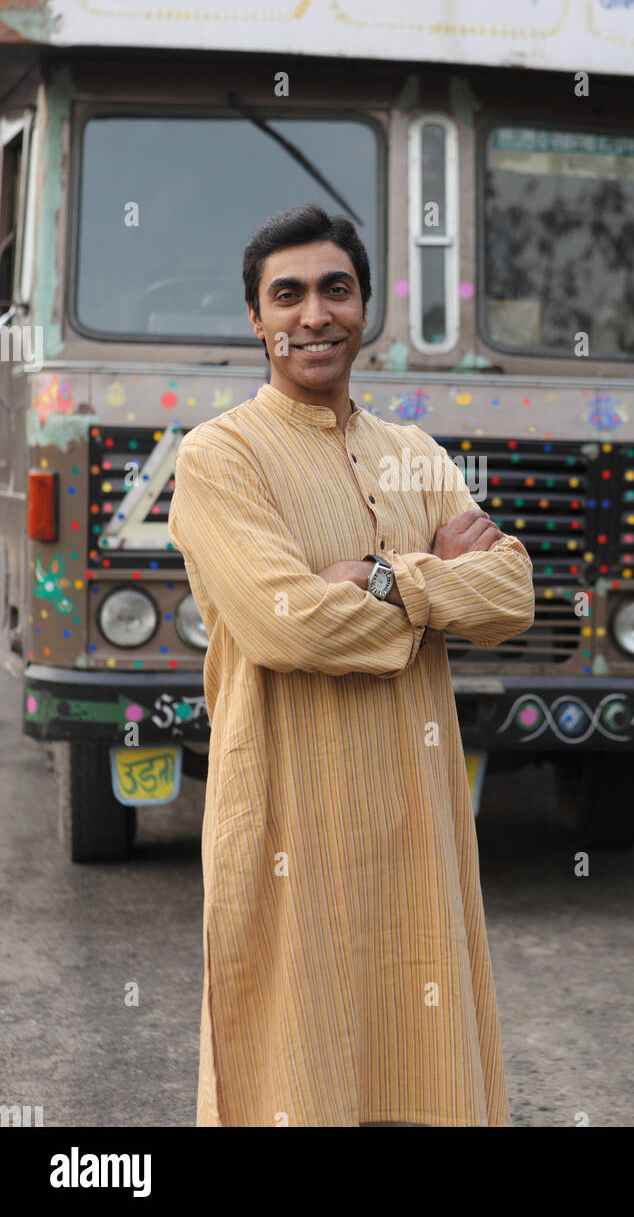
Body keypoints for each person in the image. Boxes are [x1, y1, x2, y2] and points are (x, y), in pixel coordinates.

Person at [167, 203, 535, 1127]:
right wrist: (431, 590)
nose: (313, 315)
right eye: (285, 295)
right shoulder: (220, 457)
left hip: (414, 828)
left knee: (421, 1067)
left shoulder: (412, 456)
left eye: (335, 289)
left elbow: (513, 595)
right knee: (293, 1069)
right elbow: (286, 624)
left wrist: (375, 579)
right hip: (295, 820)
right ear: (256, 319)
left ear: (364, 305)